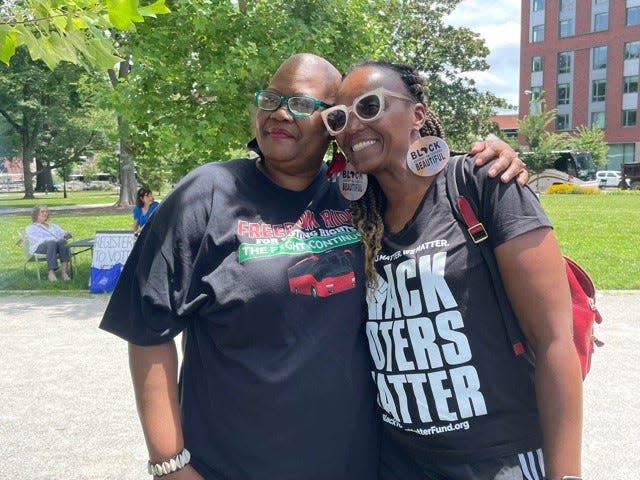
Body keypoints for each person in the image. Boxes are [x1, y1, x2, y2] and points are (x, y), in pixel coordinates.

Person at [99, 53, 527, 480]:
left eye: (302, 105)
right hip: (231, 467)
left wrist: (493, 157)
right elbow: (147, 327)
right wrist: (169, 463)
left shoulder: (360, 196)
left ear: (334, 126)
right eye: (270, 99)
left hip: (358, 466)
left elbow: (420, 176)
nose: (279, 113)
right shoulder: (209, 193)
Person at [324, 60, 583, 480]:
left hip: (499, 460)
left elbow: (554, 338)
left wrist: (566, 474)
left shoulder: (482, 181)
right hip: (397, 461)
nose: (352, 126)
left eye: (369, 107)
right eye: (339, 118)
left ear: (418, 115)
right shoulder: (351, 212)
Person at [25, 205, 73, 282]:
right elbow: (36, 240)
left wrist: (66, 234)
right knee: (51, 242)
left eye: (46, 211)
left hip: (55, 246)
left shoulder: (53, 226)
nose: (45, 213)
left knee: (63, 242)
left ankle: (64, 272)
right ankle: (51, 273)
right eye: (42, 211)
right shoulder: (31, 228)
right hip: (39, 248)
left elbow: (63, 234)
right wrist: (52, 240)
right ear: (36, 214)